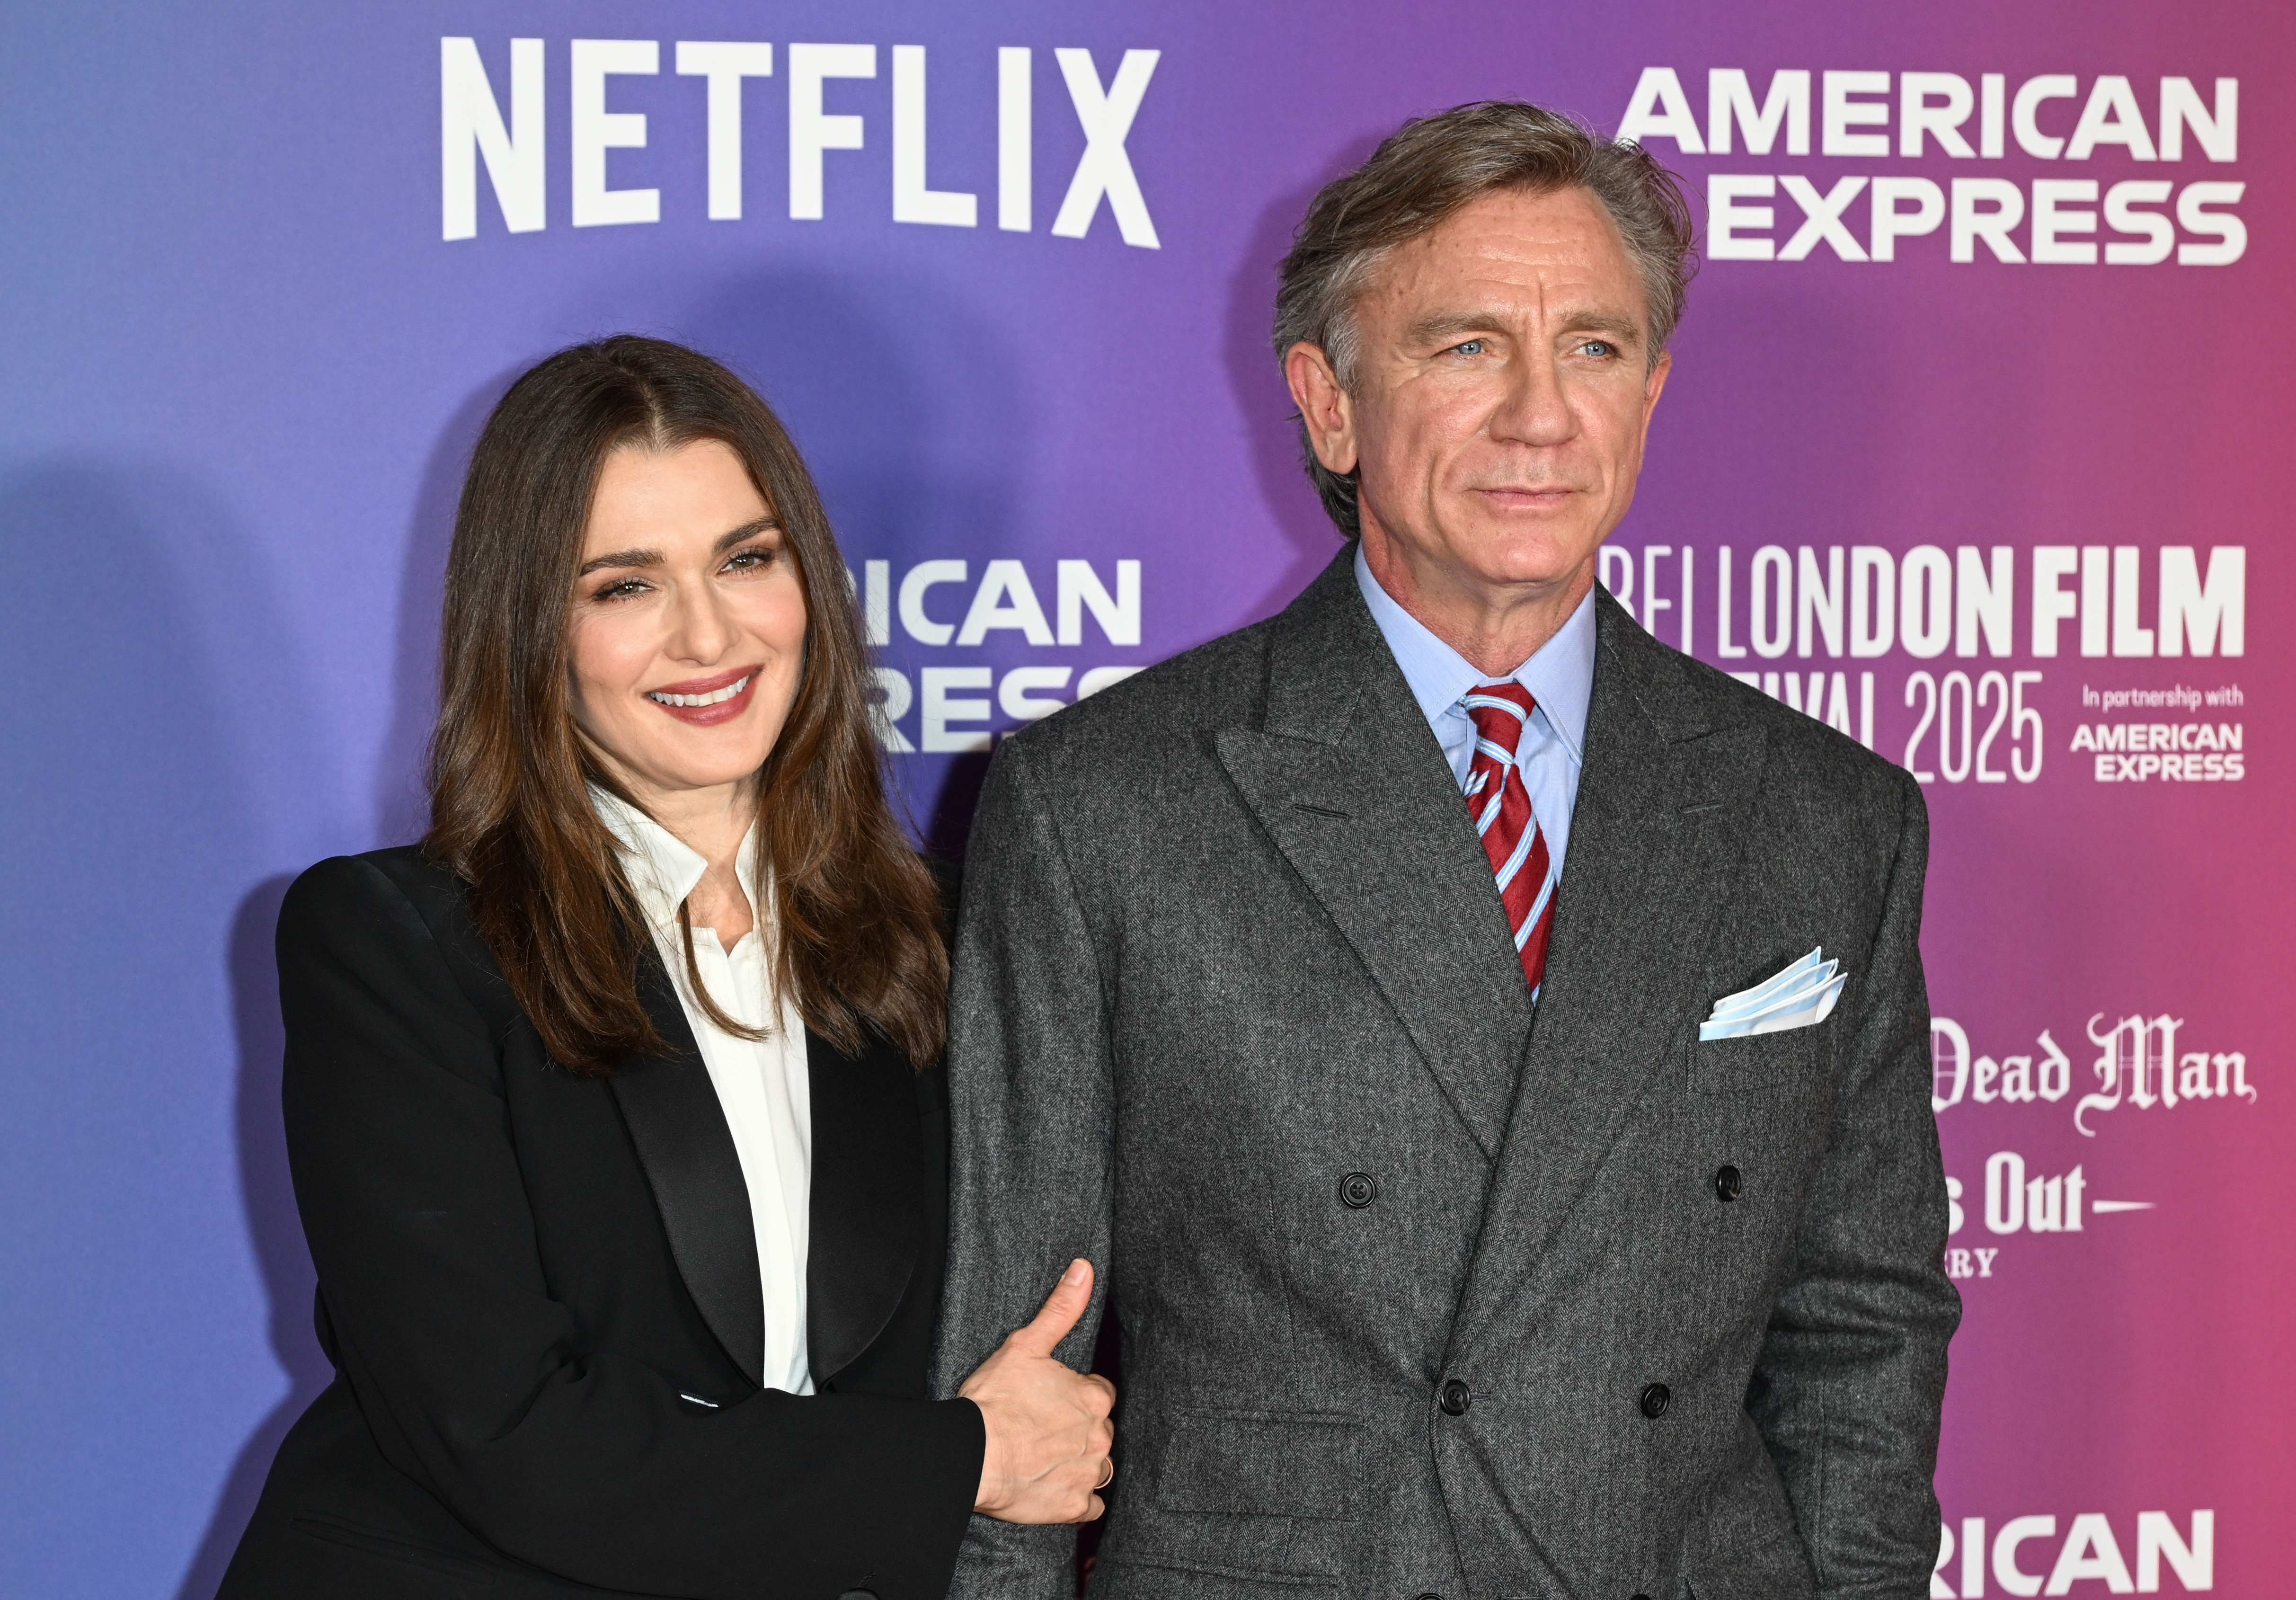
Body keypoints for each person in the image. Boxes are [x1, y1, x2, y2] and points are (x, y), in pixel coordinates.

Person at [934, 103, 1959, 1599]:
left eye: (1595, 349)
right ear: (1329, 403)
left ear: (1652, 393)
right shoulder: (1105, 804)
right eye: (1465, 346)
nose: (1540, 413)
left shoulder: (1827, 815)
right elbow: (1013, 1360)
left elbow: (1864, 1324)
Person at [220, 336, 1114, 1600]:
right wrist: (958, 1458)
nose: (709, 634)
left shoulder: (942, 948)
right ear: (532, 628)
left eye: (747, 559)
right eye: (623, 585)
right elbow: (506, 1434)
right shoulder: (395, 945)